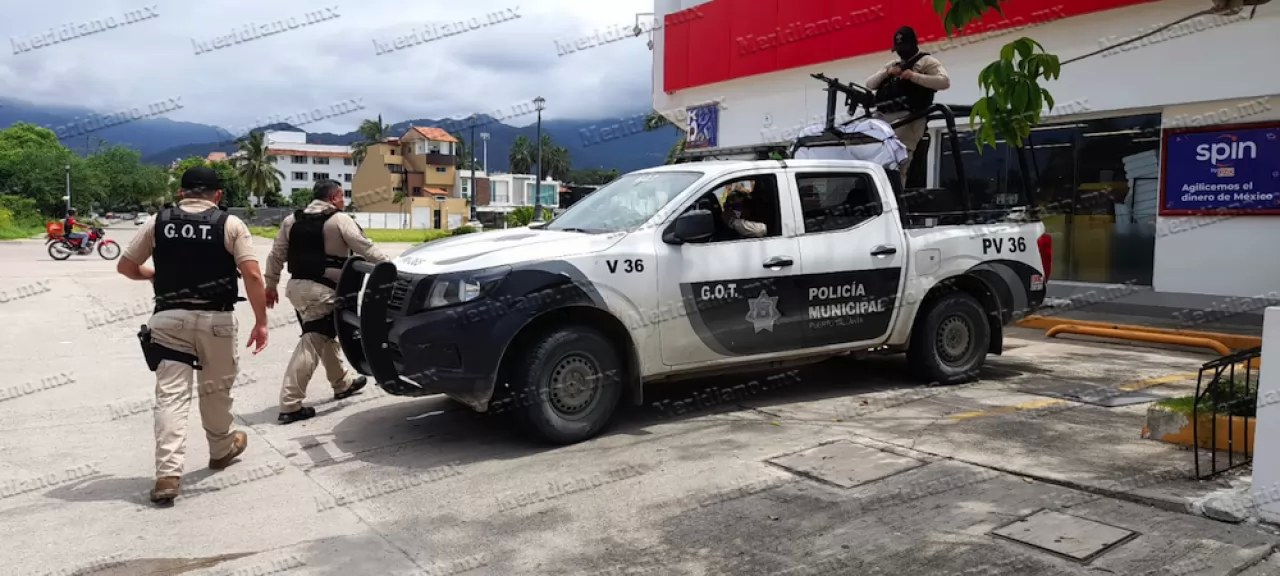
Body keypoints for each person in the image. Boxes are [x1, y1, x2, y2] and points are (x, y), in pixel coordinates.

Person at [116, 166, 269, 505]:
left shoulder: (158, 222)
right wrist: (261, 321)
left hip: (169, 319)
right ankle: (221, 448)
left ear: (182, 193)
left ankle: (168, 474)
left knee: (171, 397)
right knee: (216, 391)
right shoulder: (230, 224)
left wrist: (153, 275)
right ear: (217, 195)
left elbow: (125, 267)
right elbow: (253, 276)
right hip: (216, 320)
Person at [265, 179, 389, 424]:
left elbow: (276, 255)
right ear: (336, 196)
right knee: (313, 340)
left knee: (324, 335)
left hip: (296, 289)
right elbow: (366, 249)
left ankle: (341, 383)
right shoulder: (339, 220)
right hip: (323, 292)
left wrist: (270, 285)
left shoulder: (291, 220)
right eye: (342, 197)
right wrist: (391, 267)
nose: (343, 202)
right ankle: (290, 404)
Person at [866, 26, 951, 185]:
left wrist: (914, 76)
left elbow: (944, 82)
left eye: (904, 47)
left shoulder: (927, 61)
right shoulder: (893, 64)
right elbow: (870, 84)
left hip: (909, 118)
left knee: (897, 162)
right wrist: (888, 73)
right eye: (898, 48)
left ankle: (895, 203)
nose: (901, 52)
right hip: (884, 118)